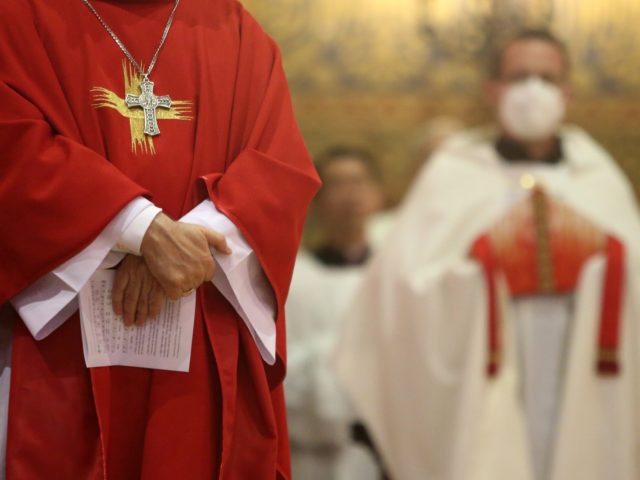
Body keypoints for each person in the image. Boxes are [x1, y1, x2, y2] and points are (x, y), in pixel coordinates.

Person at [0, 0, 320, 478]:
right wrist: (138, 228)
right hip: (61, 348)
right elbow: (11, 144)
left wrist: (186, 244)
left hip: (200, 337)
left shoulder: (235, 29)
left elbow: (281, 170)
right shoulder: (18, 17)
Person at [335, 29, 640, 480]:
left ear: (568, 92)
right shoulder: (454, 173)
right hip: (484, 385)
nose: (533, 90)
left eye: (546, 77)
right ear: (492, 90)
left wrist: (595, 257)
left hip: (582, 378)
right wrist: (488, 263)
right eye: (519, 76)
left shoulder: (597, 177)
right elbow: (401, 293)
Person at [285, 147, 383, 479]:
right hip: (314, 456)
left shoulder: (397, 279)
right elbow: (281, 371)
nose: (351, 194)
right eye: (338, 184)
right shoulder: (293, 278)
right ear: (317, 200)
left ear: (377, 195)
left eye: (359, 182)